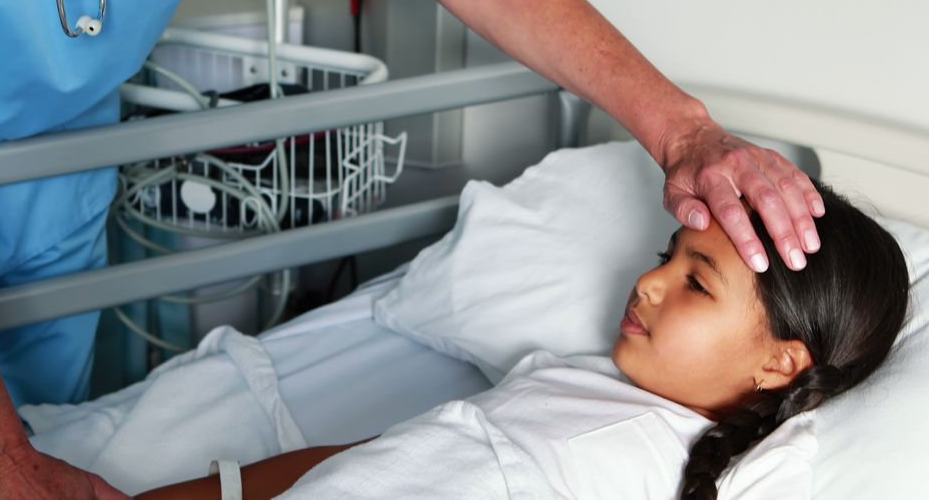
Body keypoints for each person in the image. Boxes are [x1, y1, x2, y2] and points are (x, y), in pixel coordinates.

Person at [0, 0, 822, 495]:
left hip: (62, 161)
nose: (648, 281)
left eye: (693, 274)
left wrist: (685, 132)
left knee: (43, 419)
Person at [136, 181, 908, 499]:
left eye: (696, 282)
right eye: (665, 258)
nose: (648, 282)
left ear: (781, 362)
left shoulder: (637, 470)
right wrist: (219, 490)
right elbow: (386, 455)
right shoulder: (576, 377)